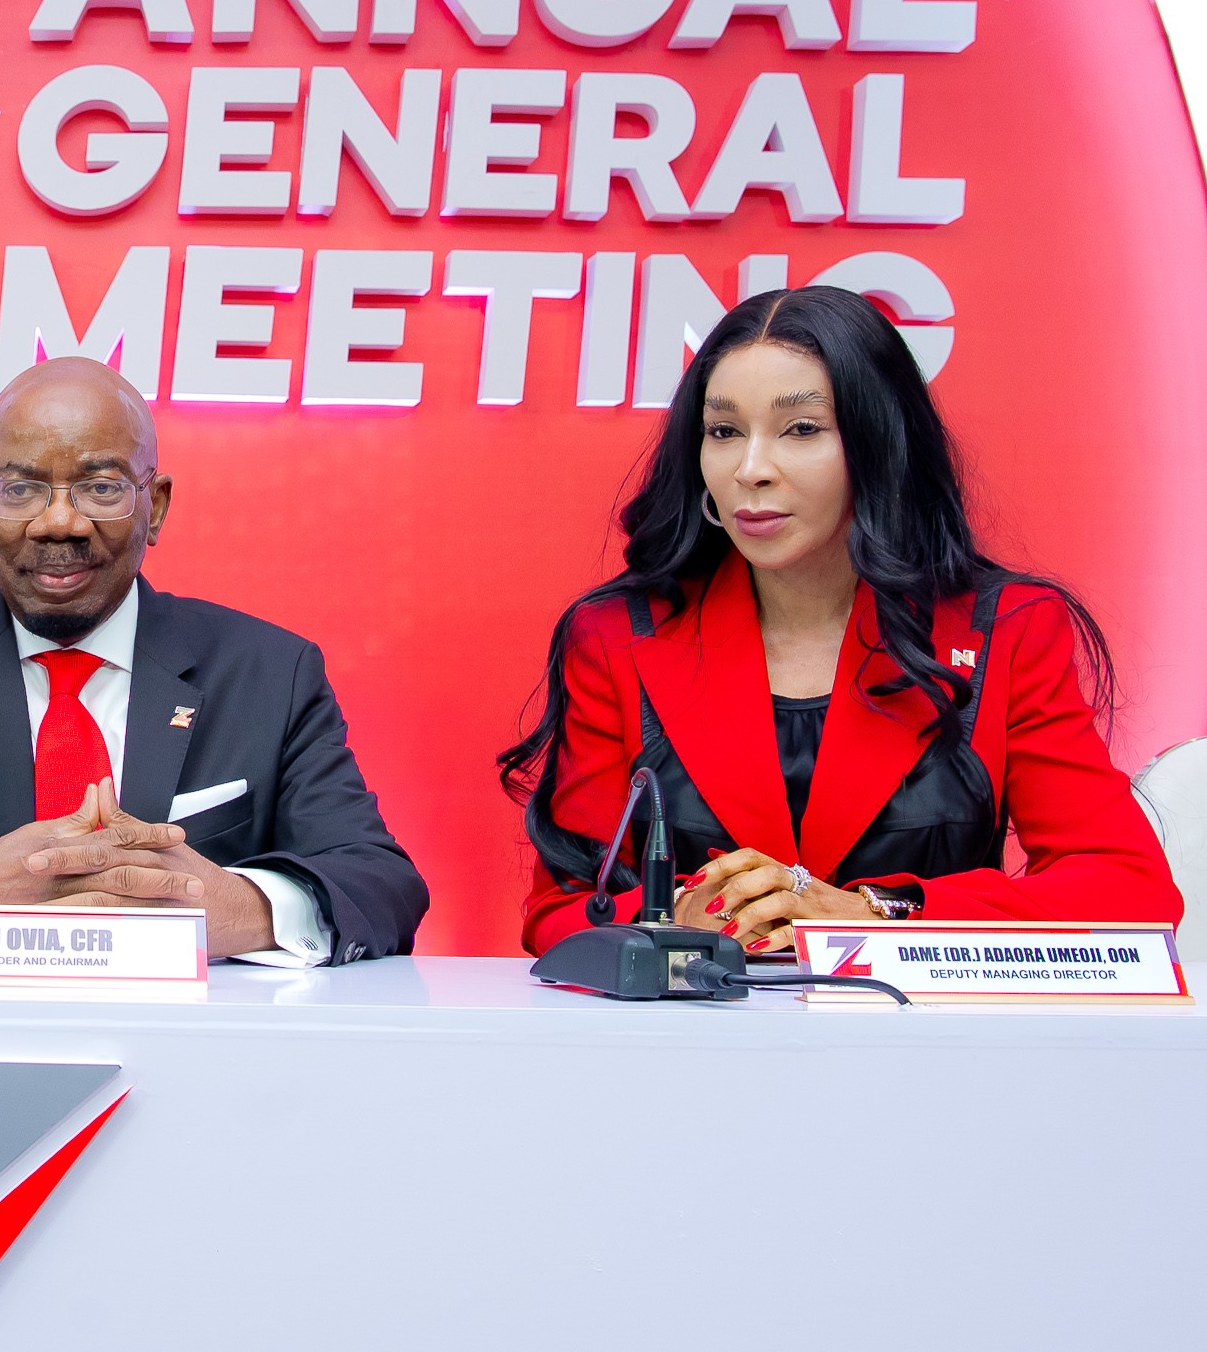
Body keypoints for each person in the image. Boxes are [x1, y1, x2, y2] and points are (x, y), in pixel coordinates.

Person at [502, 287, 1182, 955]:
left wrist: (870, 912)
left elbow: (1128, 891)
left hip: (926, 1048)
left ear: (880, 444)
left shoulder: (1006, 629)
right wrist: (679, 918)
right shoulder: (618, 635)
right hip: (697, 1047)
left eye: (800, 430)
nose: (750, 468)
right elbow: (563, 910)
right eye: (723, 431)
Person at [0, 357, 427, 963]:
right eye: (22, 489)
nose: (58, 523)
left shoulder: (269, 672)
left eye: (100, 487)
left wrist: (238, 906)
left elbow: (380, 884)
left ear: (158, 507)